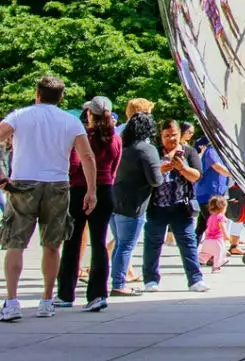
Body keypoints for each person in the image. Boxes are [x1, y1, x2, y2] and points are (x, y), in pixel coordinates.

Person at [0, 76, 97, 323]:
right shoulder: (70, 121)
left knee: (15, 243)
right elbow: (87, 156)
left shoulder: (19, 116)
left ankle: (11, 301)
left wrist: (2, 176)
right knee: (52, 244)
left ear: (37, 93)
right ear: (61, 97)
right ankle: (46, 300)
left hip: (23, 182)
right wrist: (91, 190)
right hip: (57, 184)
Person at [55, 97, 121, 312]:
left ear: (90, 114)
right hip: (106, 189)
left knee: (72, 242)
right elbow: (114, 169)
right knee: (99, 242)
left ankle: (65, 293)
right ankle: (98, 293)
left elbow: (74, 164)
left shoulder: (84, 137)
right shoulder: (115, 139)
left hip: (79, 189)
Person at [142, 121, 205, 292]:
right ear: (161, 136)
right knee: (153, 243)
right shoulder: (154, 152)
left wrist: (183, 168)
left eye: (174, 135)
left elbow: (197, 176)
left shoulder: (189, 152)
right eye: (166, 135)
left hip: (181, 205)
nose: (171, 139)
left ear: (180, 134)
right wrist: (160, 170)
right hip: (157, 205)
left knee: (188, 242)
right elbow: (144, 176)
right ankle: (150, 279)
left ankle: (195, 279)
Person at [109, 102, 163, 296]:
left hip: (115, 199)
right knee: (126, 246)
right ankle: (118, 282)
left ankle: (117, 279)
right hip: (134, 203)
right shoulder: (147, 150)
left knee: (119, 243)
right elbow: (156, 180)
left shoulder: (121, 145)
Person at [198, 197, 229, 273]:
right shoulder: (221, 216)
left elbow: (207, 229)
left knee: (205, 254)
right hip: (217, 240)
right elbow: (222, 226)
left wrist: (206, 239)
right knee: (219, 253)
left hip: (208, 241)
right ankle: (216, 267)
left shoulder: (210, 217)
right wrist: (226, 235)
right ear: (223, 208)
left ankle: (197, 261)